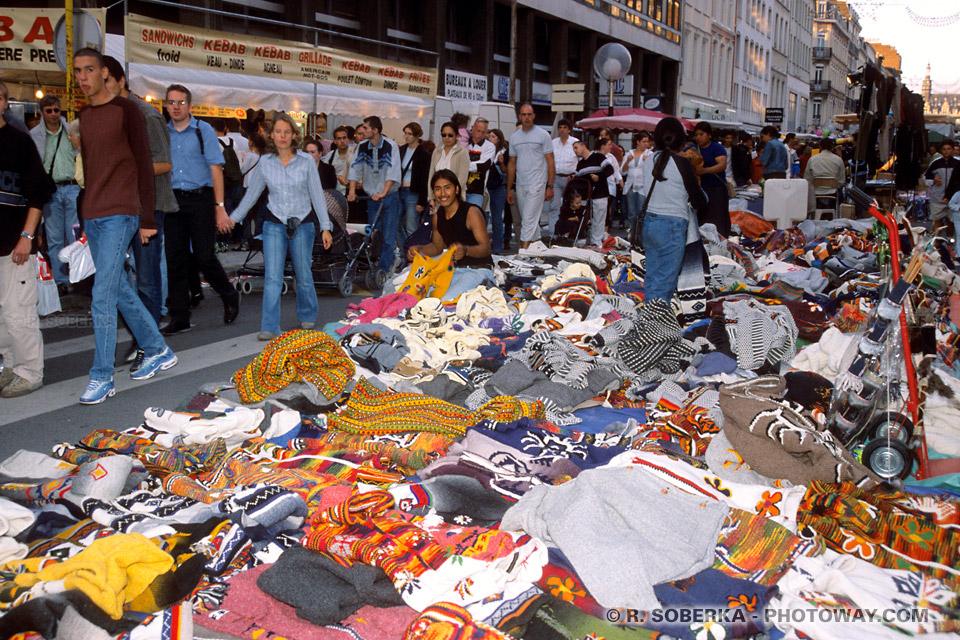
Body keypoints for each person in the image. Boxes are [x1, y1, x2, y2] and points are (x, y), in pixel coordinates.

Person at [72, 49, 177, 404]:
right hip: (94, 212)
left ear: (105, 73)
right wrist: (83, 216)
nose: (83, 77)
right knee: (117, 289)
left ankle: (102, 376)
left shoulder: (128, 110)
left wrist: (147, 218)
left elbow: (145, 167)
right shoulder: (84, 116)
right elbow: (91, 169)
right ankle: (157, 348)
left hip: (122, 212)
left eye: (89, 70)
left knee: (102, 296)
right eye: (77, 71)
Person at [220, 113, 333, 341]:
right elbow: (252, 195)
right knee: (273, 276)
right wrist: (234, 218)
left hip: (302, 223)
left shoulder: (306, 162)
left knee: (303, 273)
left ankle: (307, 314)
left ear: (294, 135)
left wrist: (326, 226)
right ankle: (270, 325)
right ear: (271, 135)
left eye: (287, 132)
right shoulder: (265, 162)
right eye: (278, 131)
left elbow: (317, 196)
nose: (282, 136)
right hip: (274, 223)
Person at [102, 56, 179, 371]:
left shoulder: (147, 115)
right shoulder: (106, 115)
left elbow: (164, 163)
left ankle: (149, 342)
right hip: (117, 207)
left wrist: (123, 167)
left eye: (106, 80)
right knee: (119, 277)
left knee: (146, 277)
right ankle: (142, 336)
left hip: (149, 206)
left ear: (121, 81)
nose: (100, 86)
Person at [160, 84, 240, 336]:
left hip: (201, 199)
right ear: (166, 105)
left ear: (190, 106)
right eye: (171, 102)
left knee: (204, 256)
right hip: (173, 200)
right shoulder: (163, 132)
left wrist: (219, 208)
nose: (176, 107)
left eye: (181, 102)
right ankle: (180, 316)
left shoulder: (202, 130)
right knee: (175, 260)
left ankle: (229, 294)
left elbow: (216, 169)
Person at [0, 80, 51, 397]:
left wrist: (26, 236)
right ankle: (8, 366)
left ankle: (29, 372)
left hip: (13, 242)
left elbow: (38, 194)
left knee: (18, 313)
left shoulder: (19, 142)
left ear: (4, 102)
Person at [641, 117, 708, 304]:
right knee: (666, 282)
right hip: (672, 226)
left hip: (649, 224)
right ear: (681, 140)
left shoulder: (648, 161)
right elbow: (700, 201)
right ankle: (657, 326)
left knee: (652, 277)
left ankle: (648, 317)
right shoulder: (683, 163)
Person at [406, 169, 493, 300]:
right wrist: (419, 249)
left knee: (445, 302)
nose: (442, 194)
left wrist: (466, 250)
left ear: (456, 189)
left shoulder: (471, 212)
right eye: (437, 189)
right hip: (454, 271)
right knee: (421, 296)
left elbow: (486, 248)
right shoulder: (437, 217)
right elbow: (437, 247)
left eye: (447, 188)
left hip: (478, 271)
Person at [29, 95, 79, 295]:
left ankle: (76, 277)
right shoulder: (35, 135)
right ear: (41, 112)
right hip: (51, 190)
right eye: (48, 110)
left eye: (56, 110)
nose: (53, 114)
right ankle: (60, 280)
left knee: (73, 237)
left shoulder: (71, 130)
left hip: (73, 186)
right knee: (55, 237)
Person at [347, 115, 402, 274]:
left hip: (389, 196)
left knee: (388, 235)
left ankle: (384, 268)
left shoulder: (391, 146)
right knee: (373, 234)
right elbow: (355, 169)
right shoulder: (362, 147)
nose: (362, 131)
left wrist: (383, 192)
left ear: (375, 130)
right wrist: (351, 191)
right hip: (372, 198)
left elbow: (393, 171)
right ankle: (378, 263)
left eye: (365, 128)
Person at [506, 103, 555, 249]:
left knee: (527, 220)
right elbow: (511, 164)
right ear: (519, 116)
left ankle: (523, 253)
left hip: (538, 182)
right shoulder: (514, 137)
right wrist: (509, 188)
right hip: (521, 184)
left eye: (529, 114)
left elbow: (551, 161)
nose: (526, 118)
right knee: (530, 221)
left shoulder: (543, 135)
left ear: (533, 116)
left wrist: (550, 186)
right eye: (523, 115)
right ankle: (538, 252)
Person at [572, 139, 615, 247]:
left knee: (599, 219)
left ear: (583, 146)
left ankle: (597, 242)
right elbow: (577, 180)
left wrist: (599, 177)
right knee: (589, 220)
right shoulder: (580, 164)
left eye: (576, 147)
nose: (574, 151)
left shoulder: (599, 157)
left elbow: (610, 169)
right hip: (587, 197)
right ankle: (591, 241)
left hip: (600, 194)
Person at [693, 121, 730, 237]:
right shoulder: (692, 149)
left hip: (715, 189)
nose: (699, 137)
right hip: (699, 190)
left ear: (709, 134)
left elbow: (722, 165)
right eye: (696, 135)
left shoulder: (717, 148)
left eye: (701, 134)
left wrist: (704, 171)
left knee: (717, 218)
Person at [544, 119, 578, 233]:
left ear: (569, 130)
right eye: (560, 127)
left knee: (572, 206)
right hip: (556, 178)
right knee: (554, 207)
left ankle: (570, 233)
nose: (562, 130)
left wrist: (575, 175)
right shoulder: (553, 143)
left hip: (571, 179)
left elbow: (581, 160)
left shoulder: (575, 143)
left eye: (564, 127)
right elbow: (548, 161)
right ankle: (554, 234)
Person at [398, 122, 431, 238]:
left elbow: (425, 179)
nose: (407, 136)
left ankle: (412, 254)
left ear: (417, 136)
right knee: (396, 224)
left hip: (413, 192)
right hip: (400, 189)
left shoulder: (423, 154)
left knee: (411, 226)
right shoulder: (402, 150)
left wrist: (421, 201)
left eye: (410, 134)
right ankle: (405, 252)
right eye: (405, 133)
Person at [427, 121, 469, 208]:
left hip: (454, 198)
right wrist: (431, 197)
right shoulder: (437, 151)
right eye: (444, 135)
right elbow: (431, 174)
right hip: (437, 197)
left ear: (456, 136)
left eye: (450, 135)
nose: (447, 138)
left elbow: (462, 178)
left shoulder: (463, 153)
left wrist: (452, 196)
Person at [804, 137, 846, 215]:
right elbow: (841, 181)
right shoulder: (838, 160)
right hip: (833, 192)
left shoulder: (812, 159)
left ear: (820, 146)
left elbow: (807, 179)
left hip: (815, 192)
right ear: (832, 147)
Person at [621, 132, 653, 229]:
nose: (646, 144)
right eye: (644, 142)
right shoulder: (629, 154)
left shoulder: (650, 154)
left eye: (647, 142)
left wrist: (647, 161)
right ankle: (632, 231)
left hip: (643, 185)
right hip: (631, 185)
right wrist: (627, 161)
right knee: (631, 211)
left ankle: (641, 232)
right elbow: (623, 171)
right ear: (638, 142)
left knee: (641, 210)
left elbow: (652, 171)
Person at [925, 140, 959, 226]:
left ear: (952, 150)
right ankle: (936, 239)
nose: (946, 151)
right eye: (944, 149)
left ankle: (949, 239)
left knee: (951, 222)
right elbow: (926, 178)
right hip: (937, 198)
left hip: (954, 198)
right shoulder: (935, 163)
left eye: (949, 149)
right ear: (941, 150)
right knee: (937, 222)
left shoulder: (957, 163)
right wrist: (934, 180)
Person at [464, 117, 496, 210]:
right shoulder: (464, 142)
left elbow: (483, 166)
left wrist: (462, 165)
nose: (480, 134)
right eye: (478, 131)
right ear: (473, 128)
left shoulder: (490, 147)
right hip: (460, 188)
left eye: (483, 132)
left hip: (477, 190)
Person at [486, 128, 509, 253]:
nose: (490, 138)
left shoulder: (503, 152)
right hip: (487, 186)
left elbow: (505, 171)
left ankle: (497, 248)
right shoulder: (485, 150)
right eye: (489, 136)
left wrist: (501, 163)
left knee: (497, 218)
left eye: (493, 136)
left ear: (499, 139)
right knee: (484, 217)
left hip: (499, 187)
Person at [325, 125, 354, 196]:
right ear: (334, 141)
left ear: (348, 139)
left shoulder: (354, 154)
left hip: (351, 193)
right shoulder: (330, 157)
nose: (342, 141)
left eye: (344, 138)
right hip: (335, 194)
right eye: (339, 138)